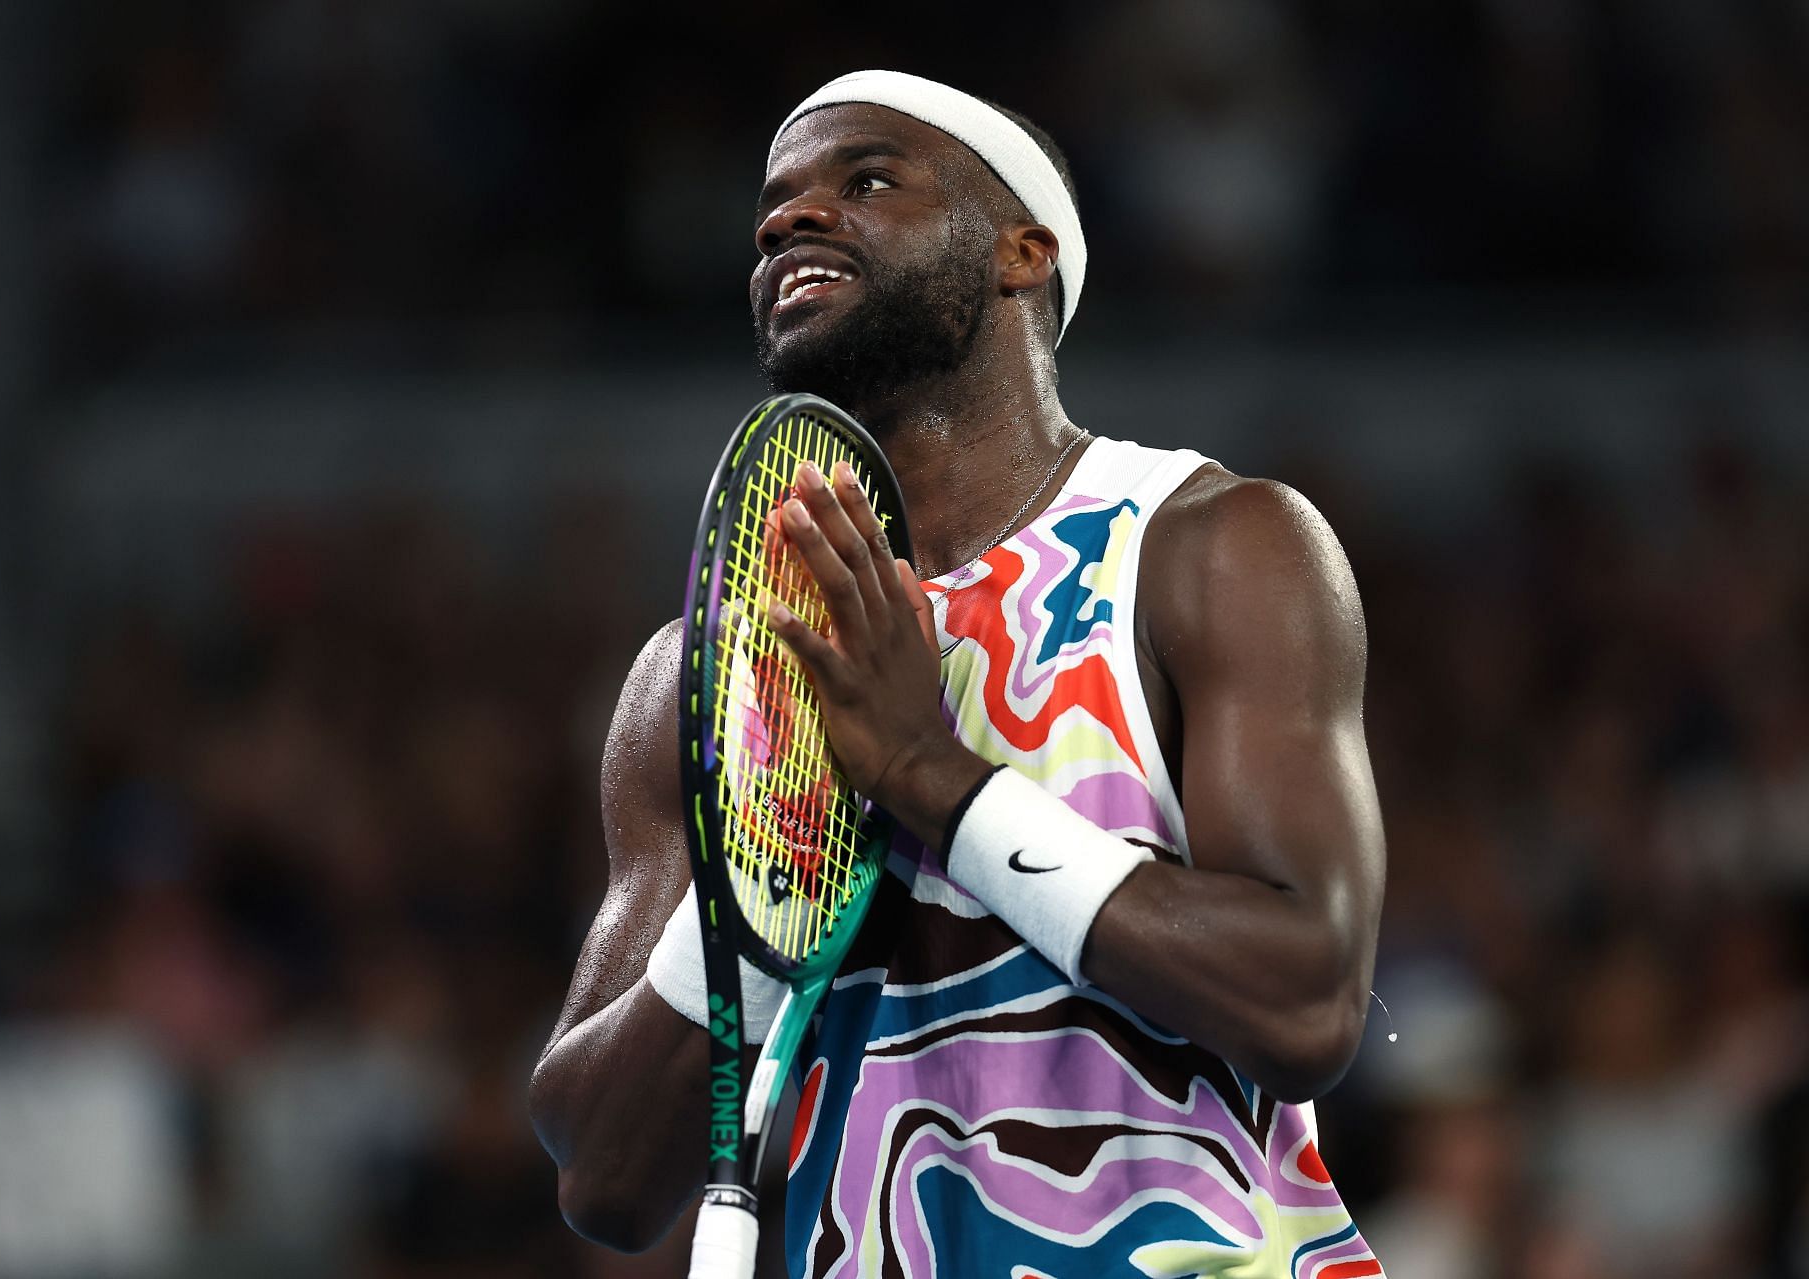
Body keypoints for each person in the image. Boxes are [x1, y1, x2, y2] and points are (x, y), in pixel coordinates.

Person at [530, 70, 1387, 1278]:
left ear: (1022, 252)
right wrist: (769, 880)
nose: (789, 220)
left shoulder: (1211, 546)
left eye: (866, 181)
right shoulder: (710, 669)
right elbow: (603, 1174)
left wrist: (930, 776)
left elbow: (1308, 1003)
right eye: (773, 207)